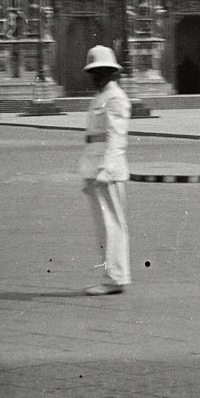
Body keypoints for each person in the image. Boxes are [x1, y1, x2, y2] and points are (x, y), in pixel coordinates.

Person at [79, 45, 132, 296]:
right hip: (95, 169)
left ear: (112, 72)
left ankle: (116, 278)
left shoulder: (115, 98)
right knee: (103, 227)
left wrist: (106, 171)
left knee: (112, 226)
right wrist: (89, 173)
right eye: (93, 72)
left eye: (100, 72)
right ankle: (111, 276)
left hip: (106, 171)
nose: (95, 77)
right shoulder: (100, 98)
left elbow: (116, 139)